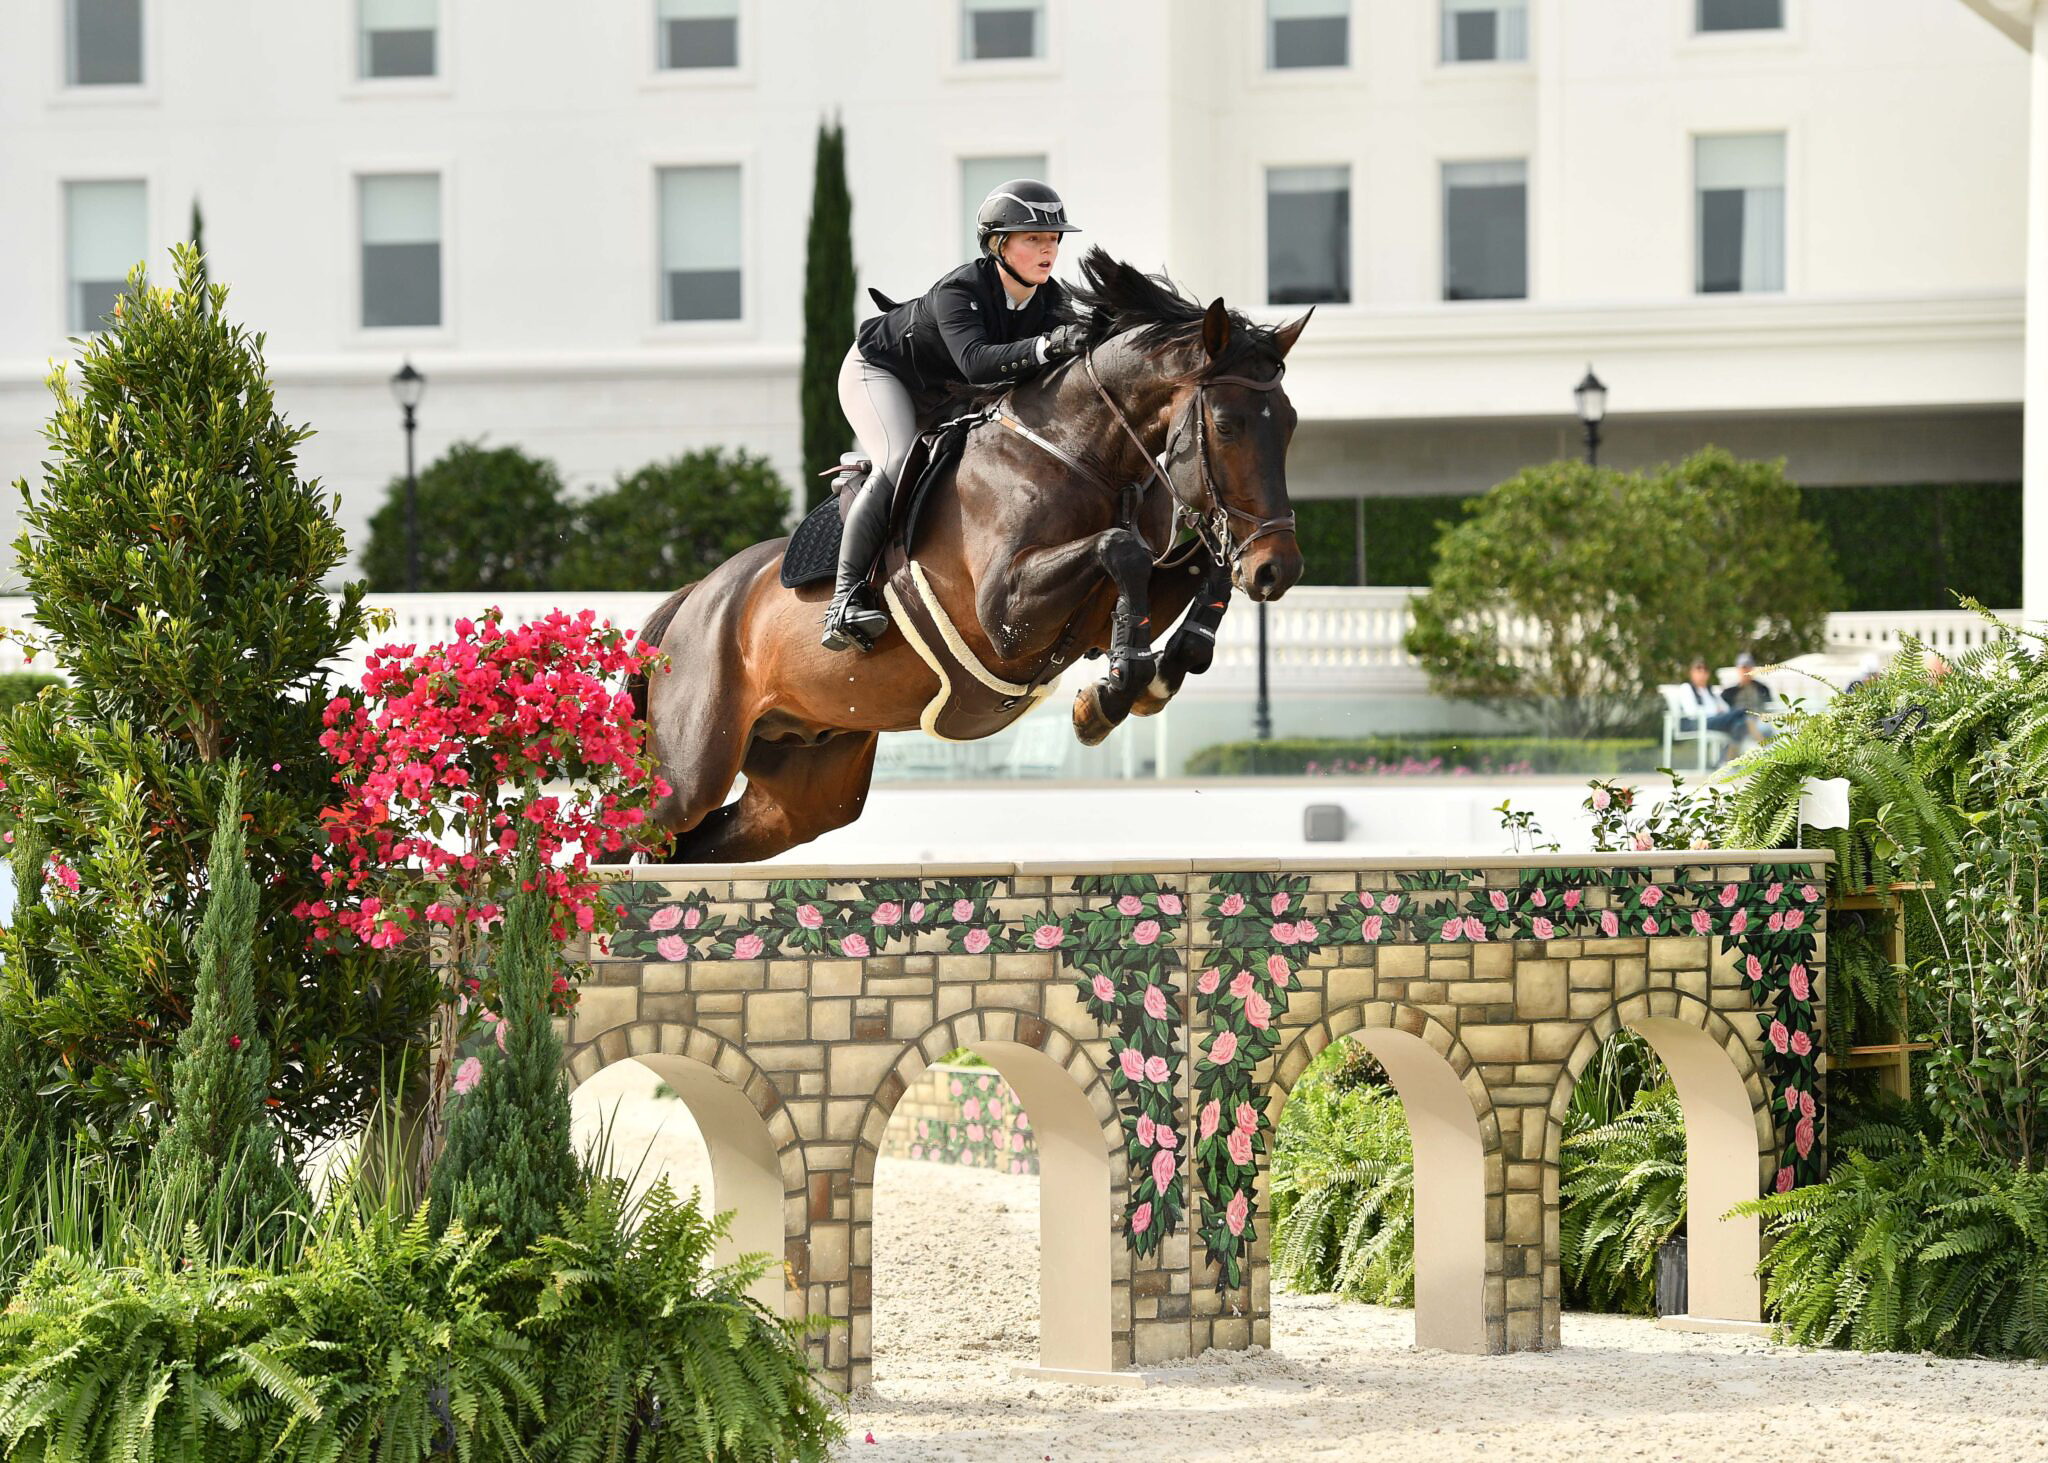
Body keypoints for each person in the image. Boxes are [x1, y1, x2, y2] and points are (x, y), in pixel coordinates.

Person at [822, 178, 1090, 652]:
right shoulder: (961, 288)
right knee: (897, 459)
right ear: (997, 244)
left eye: (1053, 239)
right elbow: (976, 362)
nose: (1048, 250)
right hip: (881, 374)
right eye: (1033, 238)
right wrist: (1047, 346)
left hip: (947, 394)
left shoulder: (1052, 301)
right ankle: (844, 600)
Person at [1719, 650, 1778, 753]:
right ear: (1738, 670)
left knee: (1765, 727)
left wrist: (1762, 716)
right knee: (1741, 724)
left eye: (1748, 668)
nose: (1746, 671)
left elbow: (1769, 708)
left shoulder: (1762, 688)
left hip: (1760, 722)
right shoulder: (1729, 692)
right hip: (1739, 724)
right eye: (1743, 668)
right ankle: (1765, 750)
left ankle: (1765, 750)